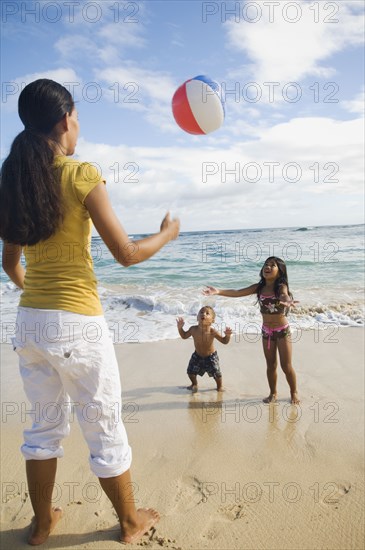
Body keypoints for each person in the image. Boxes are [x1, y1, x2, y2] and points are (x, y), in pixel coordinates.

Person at [0, 79, 180, 546]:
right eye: (76, 117)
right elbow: (126, 253)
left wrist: (40, 299)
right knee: (102, 424)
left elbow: (9, 262)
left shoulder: (13, 178)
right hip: (78, 323)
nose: (77, 125)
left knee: (42, 428)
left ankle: (41, 525)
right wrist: (167, 235)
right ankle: (130, 521)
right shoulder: (80, 174)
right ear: (65, 120)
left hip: (29, 321)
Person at [203, 257, 300, 404]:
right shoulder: (259, 287)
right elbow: (237, 292)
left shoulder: (280, 286)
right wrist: (218, 291)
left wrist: (287, 300)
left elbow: (283, 294)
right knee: (270, 365)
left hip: (282, 331)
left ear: (280, 272)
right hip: (266, 331)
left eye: (272, 265)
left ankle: (294, 392)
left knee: (286, 366)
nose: (267, 267)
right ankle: (273, 393)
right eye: (265, 264)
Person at [176, 306, 232, 392]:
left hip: (211, 357)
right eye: (201, 312)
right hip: (197, 355)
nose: (203, 314)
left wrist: (227, 336)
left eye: (207, 313)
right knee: (190, 372)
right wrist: (180, 328)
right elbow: (184, 336)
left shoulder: (212, 332)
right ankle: (194, 384)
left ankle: (219, 386)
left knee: (217, 374)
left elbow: (224, 341)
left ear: (212, 320)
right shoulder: (193, 329)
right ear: (197, 317)